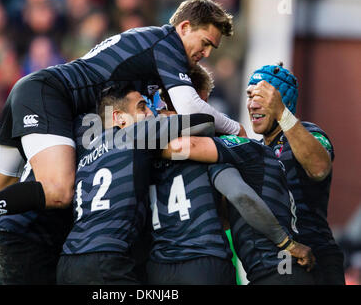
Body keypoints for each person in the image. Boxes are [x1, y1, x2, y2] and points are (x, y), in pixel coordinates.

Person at [0, 0, 247, 259]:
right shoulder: (166, 43)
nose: (205, 53)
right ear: (185, 27)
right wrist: (237, 130)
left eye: (211, 49)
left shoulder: (149, 50)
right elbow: (190, 106)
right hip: (49, 95)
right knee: (59, 190)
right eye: (205, 42)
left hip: (33, 90)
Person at [148, 66, 315, 285]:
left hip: (280, 269)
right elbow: (234, 204)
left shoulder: (238, 148)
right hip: (237, 268)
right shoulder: (226, 152)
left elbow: (237, 200)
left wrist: (130, 142)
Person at [57, 82, 216, 284]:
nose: (150, 112)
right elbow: (204, 122)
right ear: (118, 118)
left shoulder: (83, 147)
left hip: (68, 261)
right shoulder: (137, 134)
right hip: (107, 260)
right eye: (142, 107)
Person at [245, 63, 345, 285]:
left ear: (283, 101)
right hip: (273, 265)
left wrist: (282, 114)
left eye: (262, 97)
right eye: (249, 95)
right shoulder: (253, 150)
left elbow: (319, 168)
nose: (252, 104)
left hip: (318, 260)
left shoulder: (310, 133)